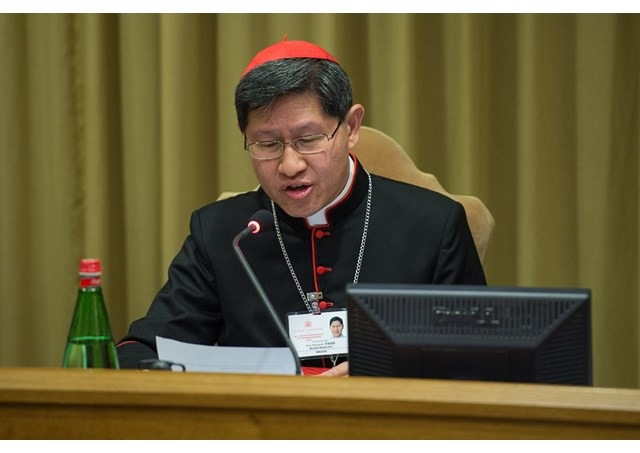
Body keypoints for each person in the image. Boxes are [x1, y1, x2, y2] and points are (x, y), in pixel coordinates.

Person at [116, 38, 487, 377]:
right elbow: (144, 348)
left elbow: (478, 358)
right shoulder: (222, 233)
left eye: (308, 139)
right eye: (266, 144)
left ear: (351, 127)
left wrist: (384, 370)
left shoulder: (433, 226)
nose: (289, 165)